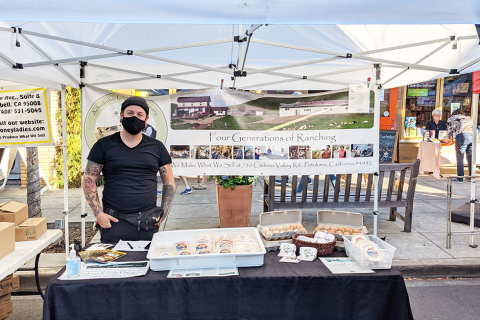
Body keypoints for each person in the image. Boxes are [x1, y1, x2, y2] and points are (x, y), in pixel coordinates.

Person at [83, 96, 175, 243]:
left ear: (146, 120)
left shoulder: (157, 147)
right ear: (121, 116)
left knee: (148, 263)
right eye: (130, 113)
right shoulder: (103, 145)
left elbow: (169, 181)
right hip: (113, 222)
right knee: (114, 265)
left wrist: (164, 211)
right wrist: (98, 214)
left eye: (140, 115)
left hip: (148, 221)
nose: (134, 118)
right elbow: (89, 180)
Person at [447, 109, 473, 183]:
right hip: (472, 136)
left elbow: (450, 131)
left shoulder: (452, 118)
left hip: (462, 136)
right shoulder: (468, 118)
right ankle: (471, 177)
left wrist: (450, 139)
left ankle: (460, 178)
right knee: (470, 156)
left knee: (460, 157)